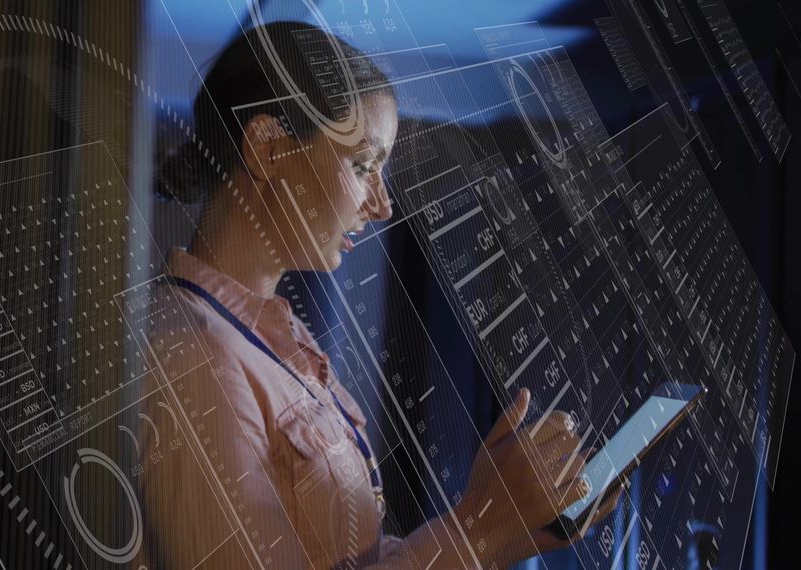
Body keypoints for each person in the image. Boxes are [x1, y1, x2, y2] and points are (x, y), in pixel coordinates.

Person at [138, 21, 618, 569]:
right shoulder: (193, 354)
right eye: (363, 165)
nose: (383, 204)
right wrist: (478, 526)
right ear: (269, 150)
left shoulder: (278, 341)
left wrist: (510, 524)